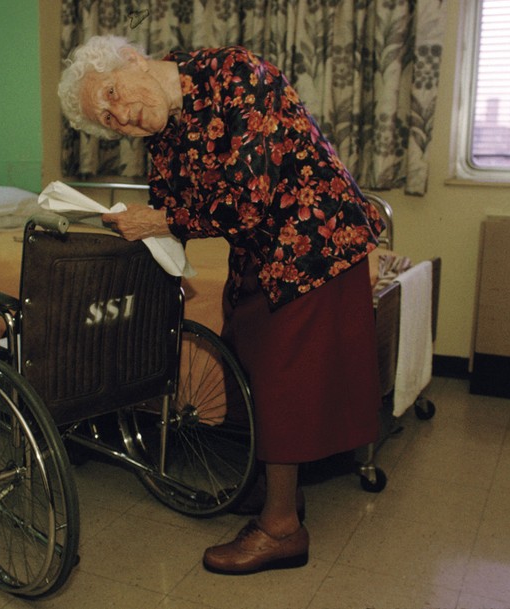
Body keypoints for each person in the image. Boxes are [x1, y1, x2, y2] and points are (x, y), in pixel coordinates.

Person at [58, 35, 385, 575]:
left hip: (315, 238)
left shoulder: (237, 75)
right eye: (109, 121)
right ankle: (276, 489)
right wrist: (154, 243)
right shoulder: (164, 132)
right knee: (245, 354)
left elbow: (248, 199)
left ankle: (282, 530)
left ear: (134, 60)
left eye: (113, 93)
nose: (122, 116)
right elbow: (171, 201)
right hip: (262, 249)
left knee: (282, 376)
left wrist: (161, 222)